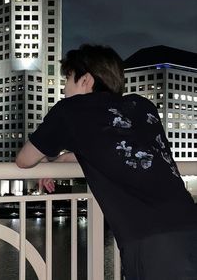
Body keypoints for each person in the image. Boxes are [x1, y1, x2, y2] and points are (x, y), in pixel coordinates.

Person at [16, 44, 197, 280]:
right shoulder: (142, 106)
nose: (64, 88)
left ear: (86, 80)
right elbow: (119, 150)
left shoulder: (70, 110)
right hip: (188, 222)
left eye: (68, 79)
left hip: (152, 243)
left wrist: (52, 158)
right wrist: (63, 160)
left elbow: (24, 160)